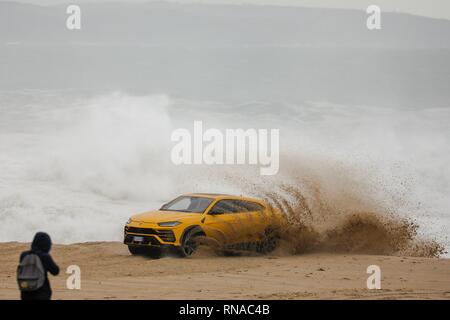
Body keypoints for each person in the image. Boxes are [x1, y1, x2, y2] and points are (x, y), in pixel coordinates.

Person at [19, 232, 60, 300]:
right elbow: (55, 271)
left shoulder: (24, 255)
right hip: (42, 292)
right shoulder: (45, 256)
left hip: (25, 292)